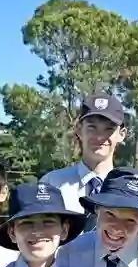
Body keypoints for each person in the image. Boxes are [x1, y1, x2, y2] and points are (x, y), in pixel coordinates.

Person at [41, 93, 127, 232]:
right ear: (79, 130)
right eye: (92, 127)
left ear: (121, 134)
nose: (99, 137)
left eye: (109, 129)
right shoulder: (52, 184)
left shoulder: (129, 190)